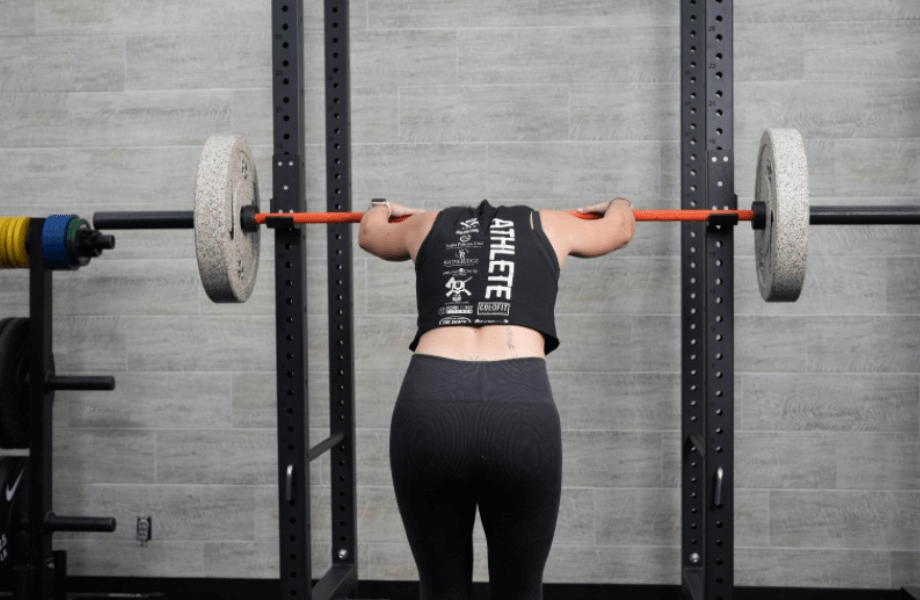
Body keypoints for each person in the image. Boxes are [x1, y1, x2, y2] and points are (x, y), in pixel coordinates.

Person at [358, 198, 635, 600]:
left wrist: (382, 205)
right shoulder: (552, 224)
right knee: (520, 592)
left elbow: (369, 234)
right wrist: (616, 203)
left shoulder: (425, 223)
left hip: (430, 403)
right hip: (519, 406)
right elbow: (621, 228)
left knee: (440, 591)